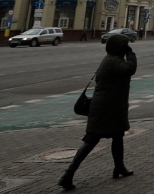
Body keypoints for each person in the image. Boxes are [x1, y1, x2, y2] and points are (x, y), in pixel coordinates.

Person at [59, 34, 137, 190]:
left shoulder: (110, 59)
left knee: (117, 136)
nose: (127, 47)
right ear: (119, 47)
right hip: (107, 108)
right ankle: (68, 175)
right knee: (91, 140)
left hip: (110, 106)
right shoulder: (114, 61)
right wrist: (130, 53)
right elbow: (130, 69)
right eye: (125, 45)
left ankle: (119, 167)